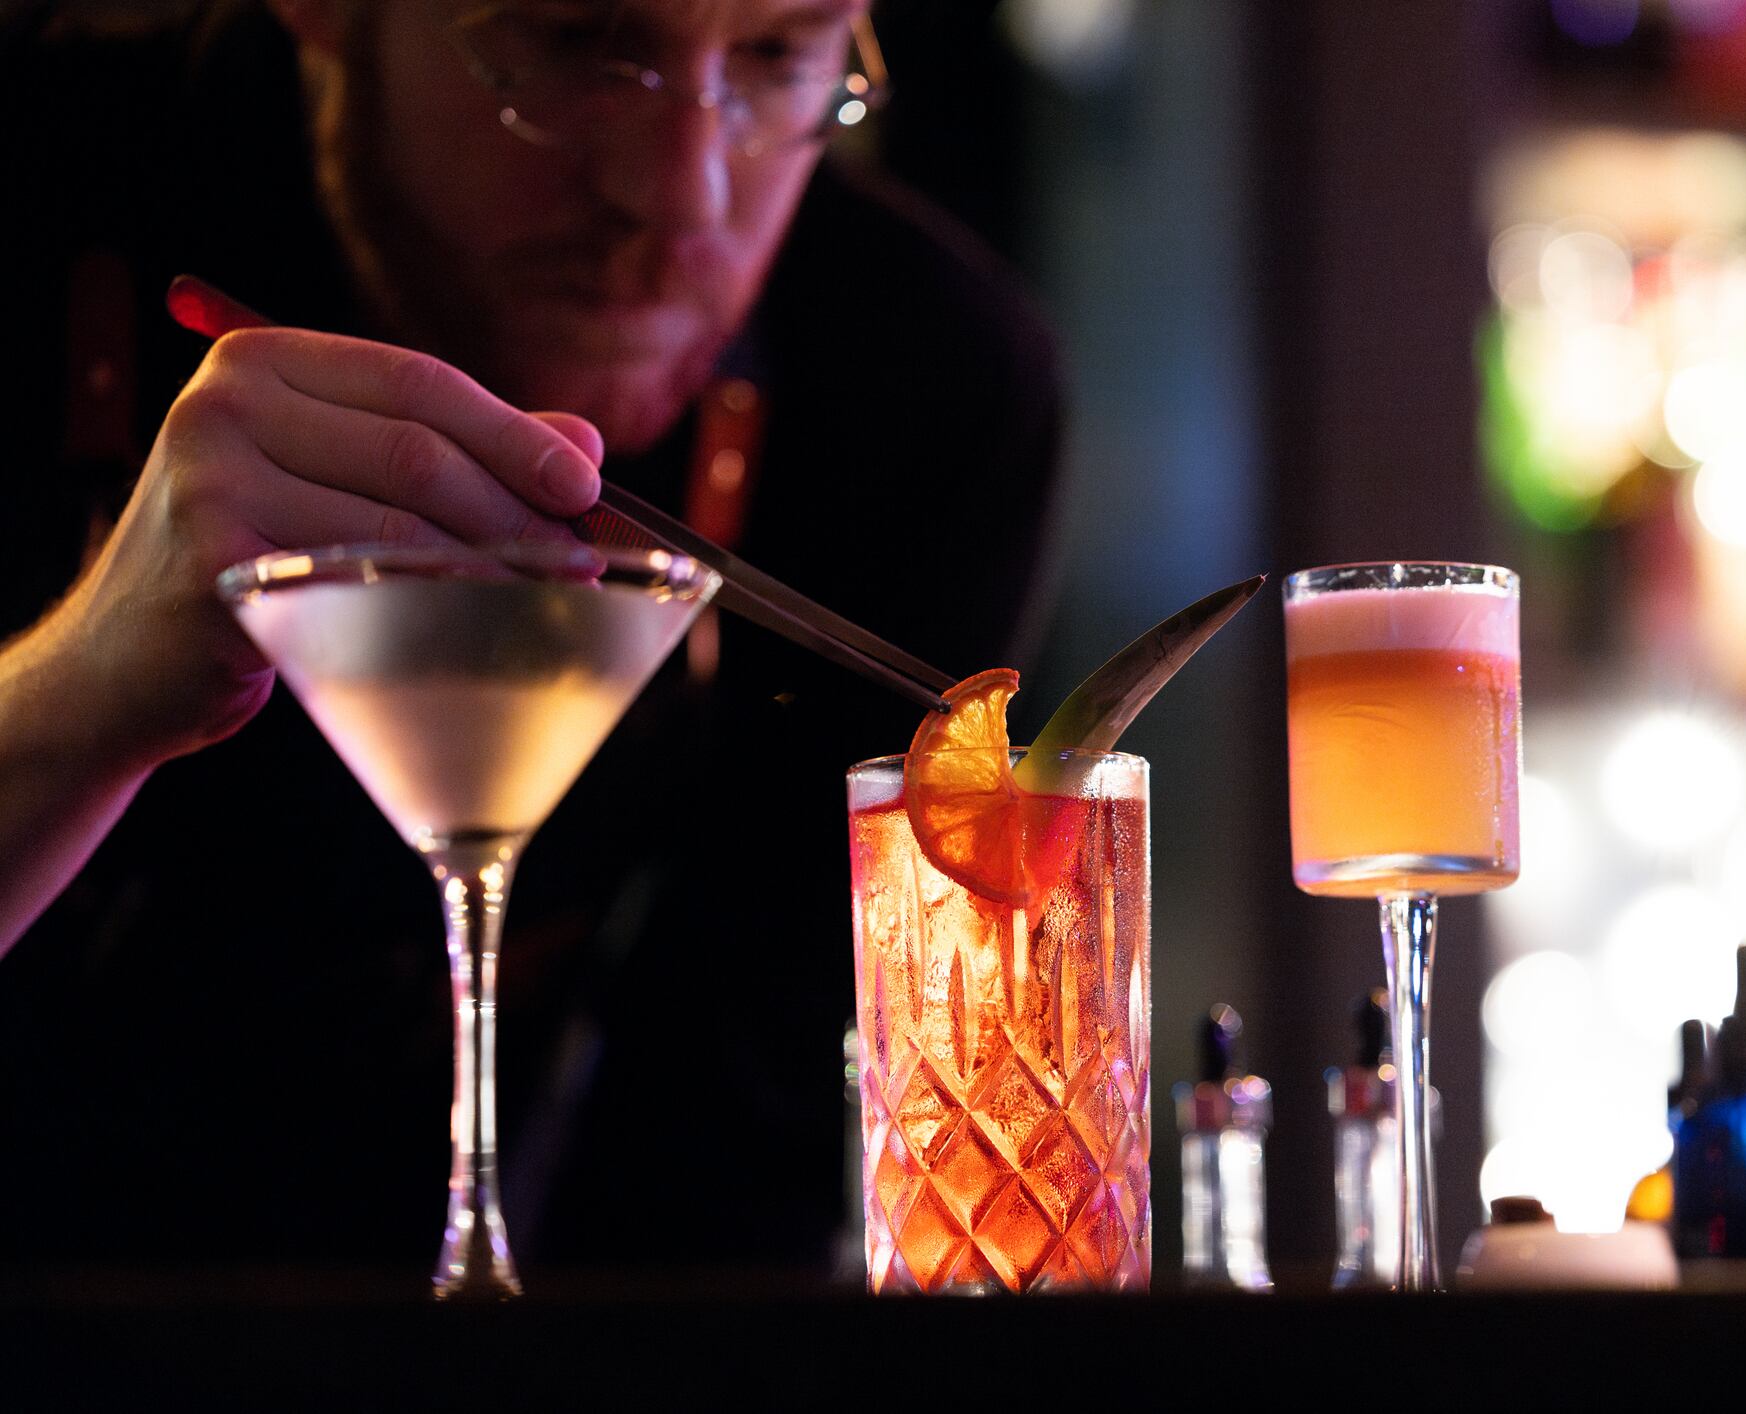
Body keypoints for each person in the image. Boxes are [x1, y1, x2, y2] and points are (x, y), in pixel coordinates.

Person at [0, 0, 1064, 1270]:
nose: (679, 197)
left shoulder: (924, 388)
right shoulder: (40, 178)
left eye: (777, 56)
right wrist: (71, 700)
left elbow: (747, 1164)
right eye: (575, 40)